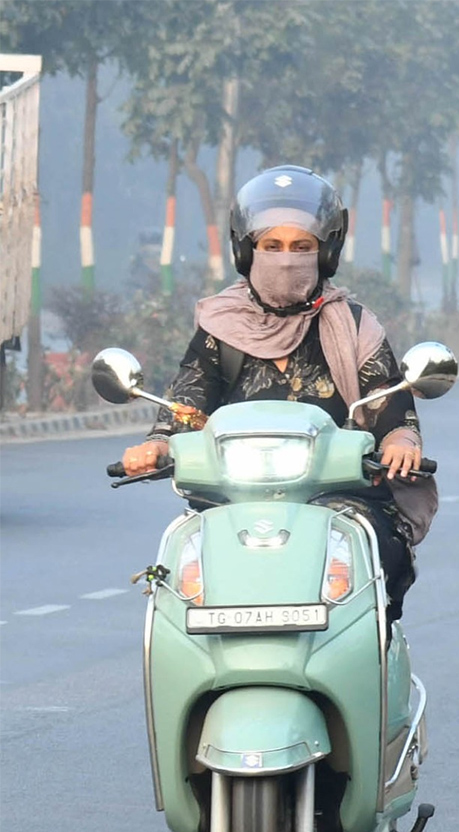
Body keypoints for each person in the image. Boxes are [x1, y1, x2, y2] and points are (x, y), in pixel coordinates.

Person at [121, 165, 430, 623]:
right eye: (272, 246)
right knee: (181, 573)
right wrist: (158, 443)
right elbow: (189, 400)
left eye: (301, 247)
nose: (286, 260)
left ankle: (373, 645)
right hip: (232, 497)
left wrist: (400, 440)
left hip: (337, 495)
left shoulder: (355, 326)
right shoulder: (220, 328)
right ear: (247, 251)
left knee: (380, 552)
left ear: (326, 253)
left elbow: (387, 398)